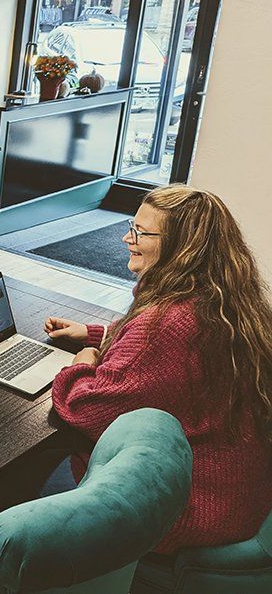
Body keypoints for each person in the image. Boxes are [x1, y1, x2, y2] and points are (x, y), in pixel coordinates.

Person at [45, 185, 272, 553]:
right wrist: (99, 334)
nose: (126, 238)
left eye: (140, 233)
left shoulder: (165, 324)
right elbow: (167, 362)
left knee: (32, 473)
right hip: (240, 489)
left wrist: (83, 361)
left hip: (193, 505)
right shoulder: (219, 299)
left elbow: (85, 406)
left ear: (183, 247)